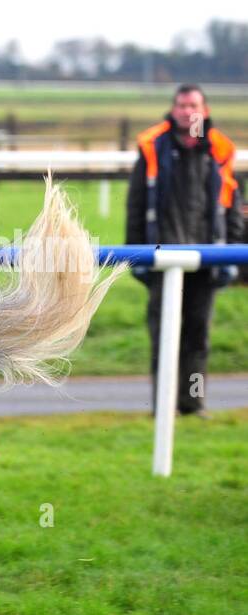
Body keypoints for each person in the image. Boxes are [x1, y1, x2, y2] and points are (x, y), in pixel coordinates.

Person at [126, 84, 242, 418]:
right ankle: (163, 407)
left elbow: (232, 204)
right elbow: (136, 205)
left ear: (204, 110)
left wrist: (230, 252)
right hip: (162, 259)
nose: (187, 111)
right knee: (164, 338)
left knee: (198, 338)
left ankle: (193, 404)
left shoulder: (219, 150)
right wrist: (136, 256)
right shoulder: (153, 147)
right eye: (181, 105)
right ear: (173, 109)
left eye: (193, 105)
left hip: (206, 260)